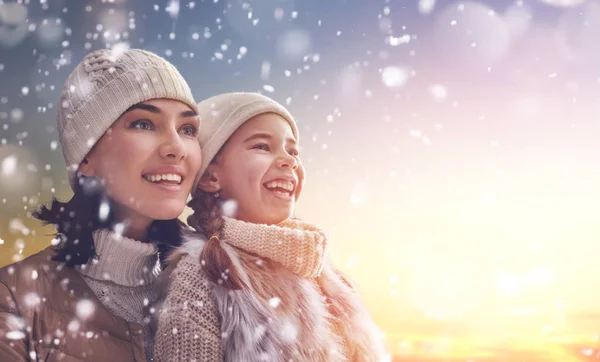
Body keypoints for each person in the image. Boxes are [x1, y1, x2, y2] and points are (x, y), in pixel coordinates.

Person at [0, 48, 202, 361]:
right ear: (86, 158)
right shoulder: (14, 297)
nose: (177, 147)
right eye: (144, 124)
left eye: (187, 129)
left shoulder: (218, 283)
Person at [154, 92, 387, 361]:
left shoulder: (323, 274)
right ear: (210, 176)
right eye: (262, 146)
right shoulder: (203, 275)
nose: (289, 160)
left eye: (293, 150)